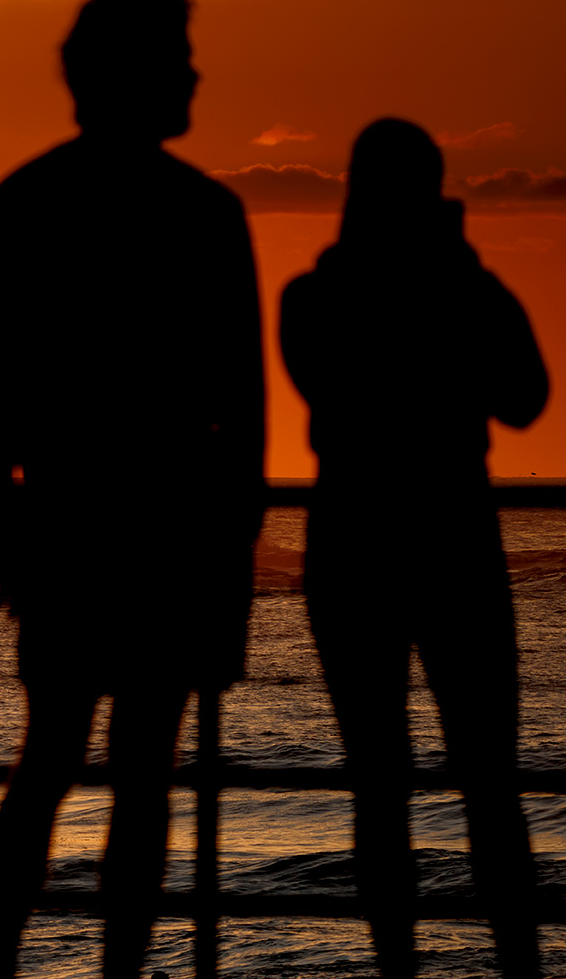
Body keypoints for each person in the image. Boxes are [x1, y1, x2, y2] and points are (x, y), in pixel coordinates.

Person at [0, 0, 263, 979]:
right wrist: (231, 549)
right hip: (166, 527)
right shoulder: (205, 213)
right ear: (133, 74)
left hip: (67, 519)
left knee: (46, 763)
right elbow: (244, 408)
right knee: (140, 776)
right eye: (178, 60)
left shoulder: (23, 201)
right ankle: (117, 972)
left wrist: (2, 514)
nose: (193, 75)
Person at [280, 119, 547, 979]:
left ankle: (398, 966)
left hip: (354, 545)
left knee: (380, 785)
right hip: (453, 539)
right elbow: (527, 397)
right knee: (489, 781)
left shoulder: (312, 297)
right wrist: (461, 275)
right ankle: (517, 964)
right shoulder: (455, 291)